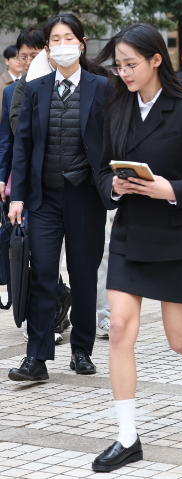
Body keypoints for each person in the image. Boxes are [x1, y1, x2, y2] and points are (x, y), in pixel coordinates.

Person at [91, 23, 182, 472]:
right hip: (131, 234)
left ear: (156, 60)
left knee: (181, 339)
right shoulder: (116, 107)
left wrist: (169, 189)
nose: (124, 72)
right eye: (119, 65)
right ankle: (127, 435)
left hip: (177, 236)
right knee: (119, 328)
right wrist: (113, 186)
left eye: (131, 64)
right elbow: (100, 172)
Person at [6, 14, 115, 382]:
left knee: (84, 275)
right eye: (56, 39)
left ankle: (81, 349)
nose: (63, 44)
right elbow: (23, 146)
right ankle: (36, 357)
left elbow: (113, 141)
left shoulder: (103, 87)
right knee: (43, 275)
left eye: (70, 38)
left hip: (85, 198)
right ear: (48, 49)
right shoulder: (36, 89)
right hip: (44, 200)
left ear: (81, 44)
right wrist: (17, 196)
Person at [0, 28, 72, 345]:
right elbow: (11, 135)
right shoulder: (15, 90)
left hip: (65, 184)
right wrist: (5, 181)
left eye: (33, 55)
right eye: (23, 56)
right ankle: (51, 314)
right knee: (37, 253)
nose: (28, 61)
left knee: (49, 256)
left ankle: (58, 307)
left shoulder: (67, 85)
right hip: (26, 183)